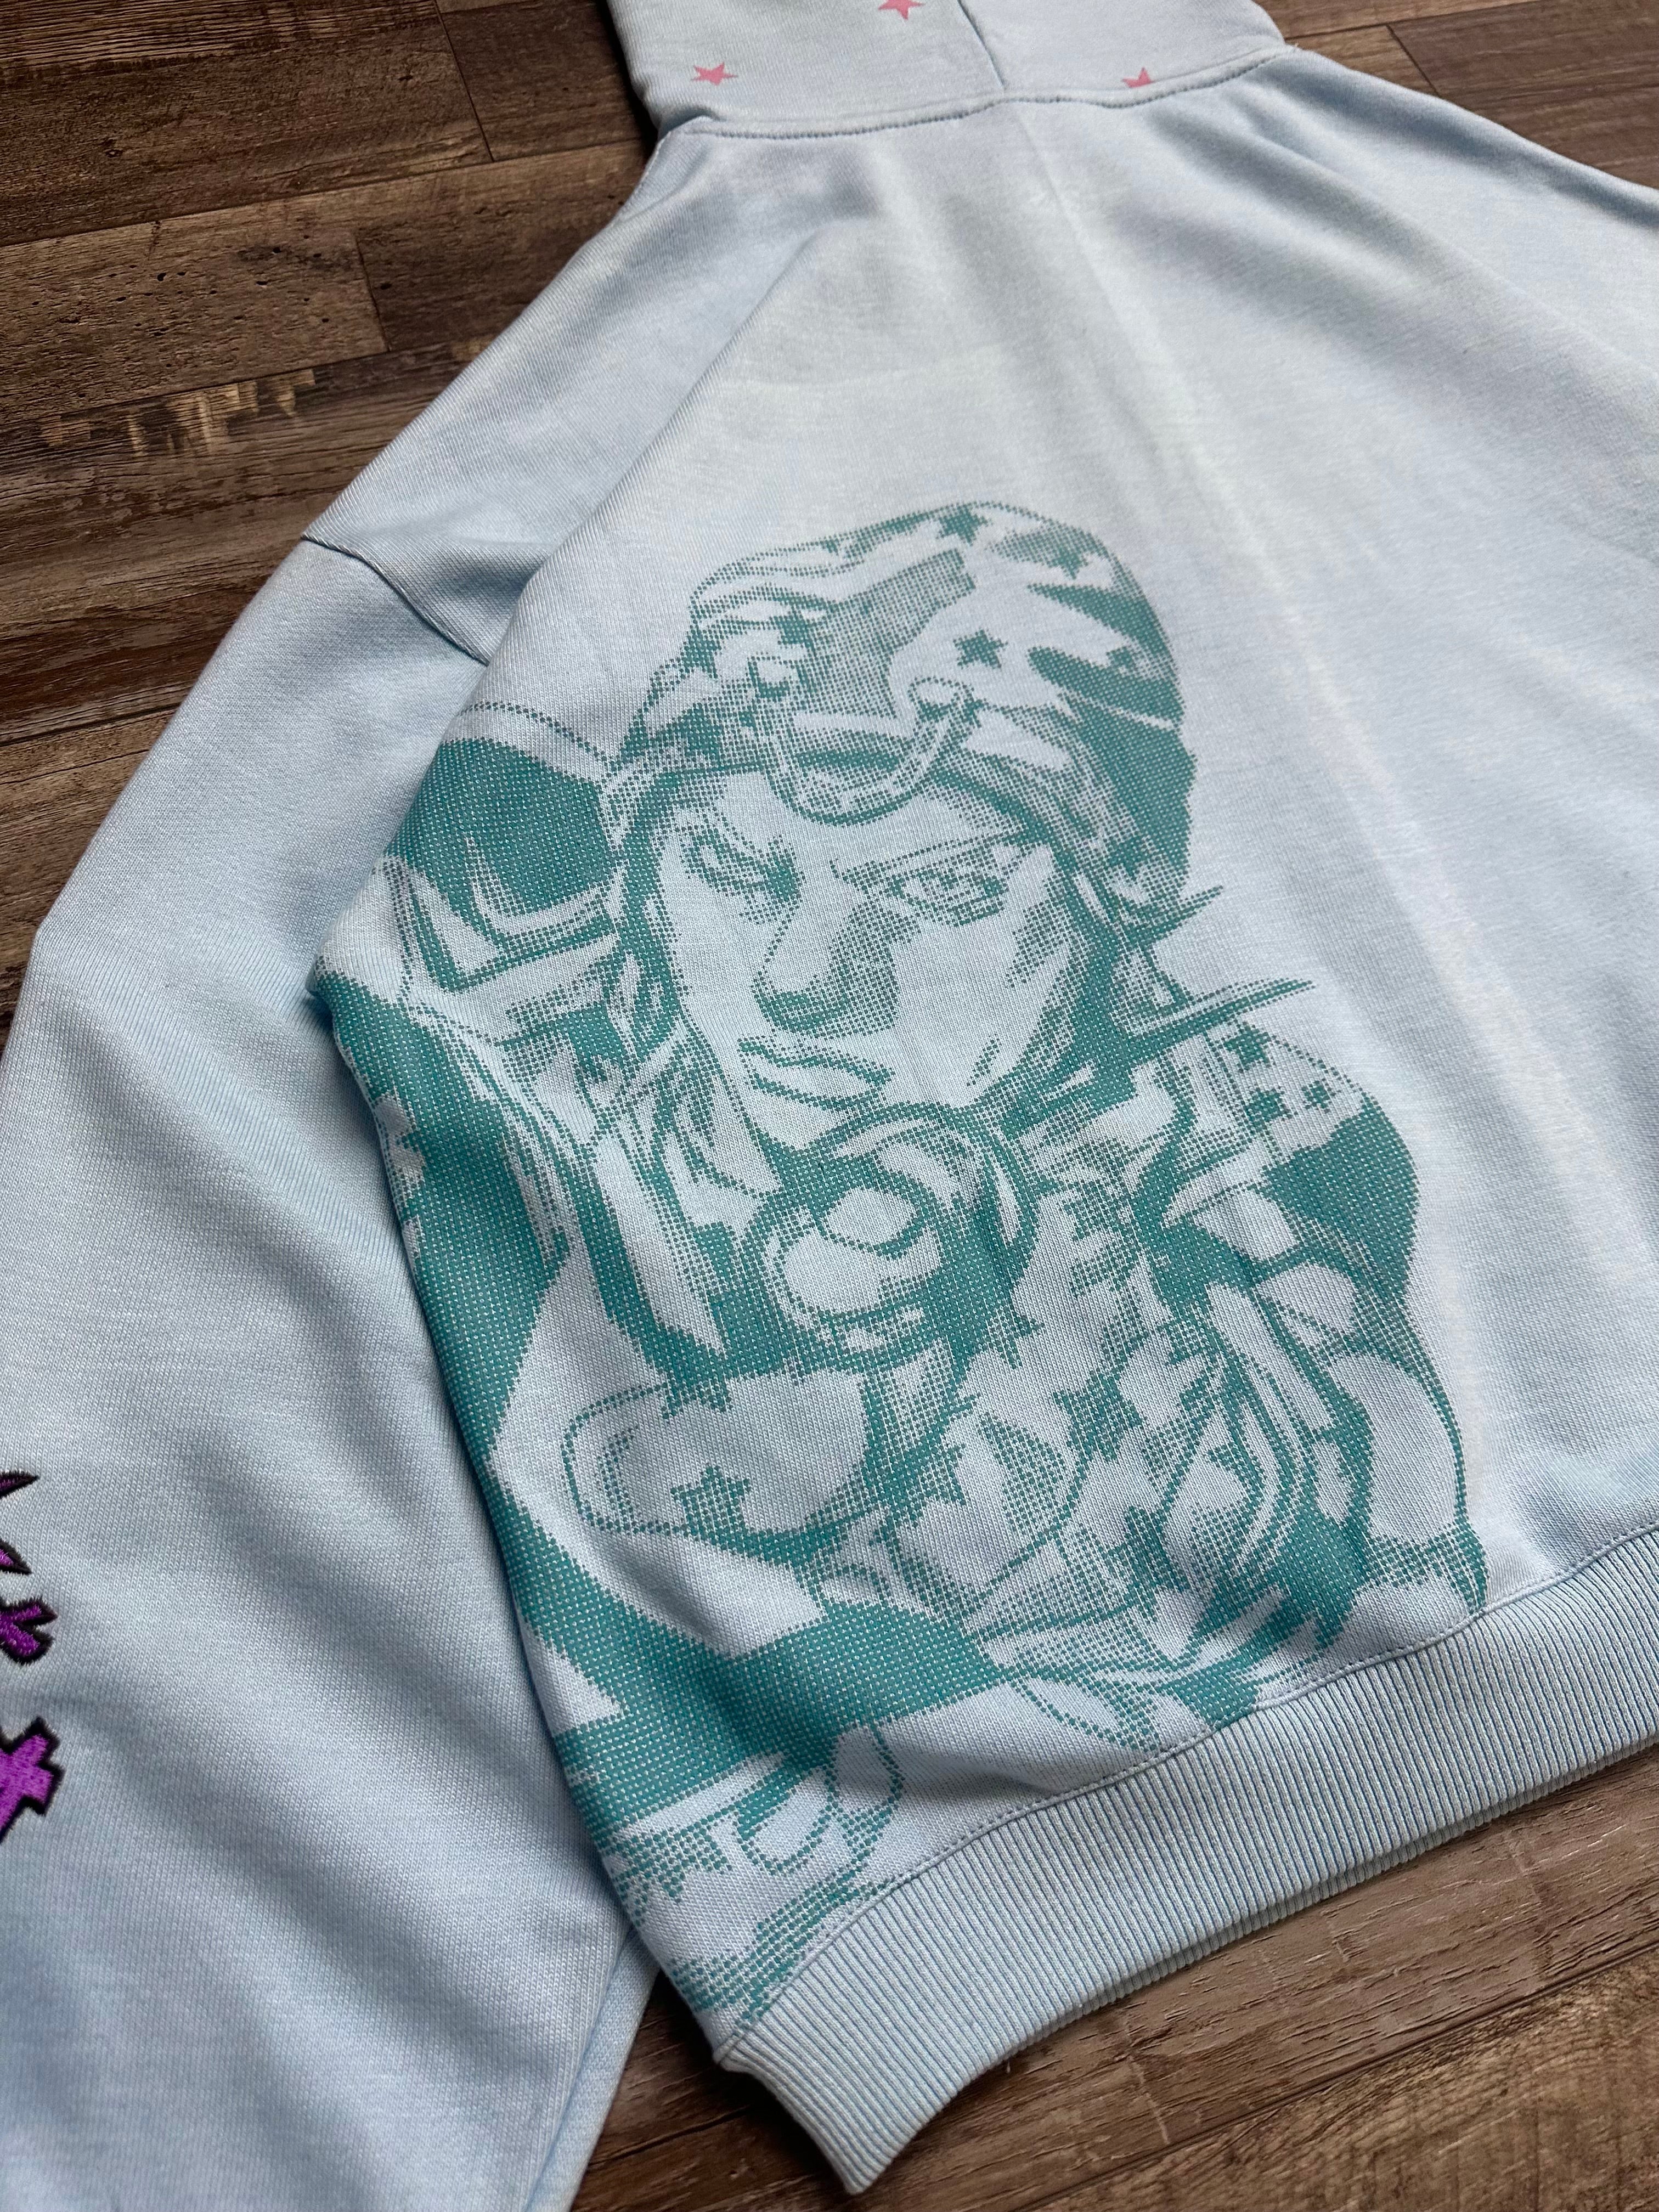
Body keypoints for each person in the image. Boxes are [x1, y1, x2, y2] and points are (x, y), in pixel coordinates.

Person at [316, 501, 1485, 2018]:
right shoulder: (487, 1072)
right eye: (736, 868)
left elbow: (1389, 1597)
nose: (803, 987)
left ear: (1106, 906)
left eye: (934, 892)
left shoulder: (1256, 1195)